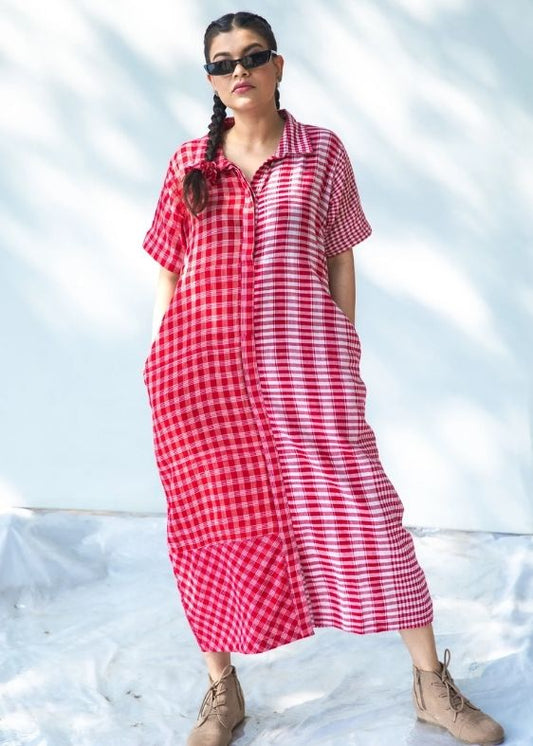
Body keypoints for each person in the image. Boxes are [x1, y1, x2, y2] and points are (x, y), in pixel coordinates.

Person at [141, 11, 505, 746]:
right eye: (220, 63)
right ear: (210, 79)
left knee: (363, 509)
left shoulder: (321, 154)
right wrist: (158, 354)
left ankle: (430, 686)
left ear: (279, 66)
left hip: (304, 365)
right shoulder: (188, 160)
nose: (236, 70)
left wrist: (343, 342)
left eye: (252, 56)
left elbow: (339, 253)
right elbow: (167, 265)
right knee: (205, 525)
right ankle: (220, 691)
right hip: (198, 374)